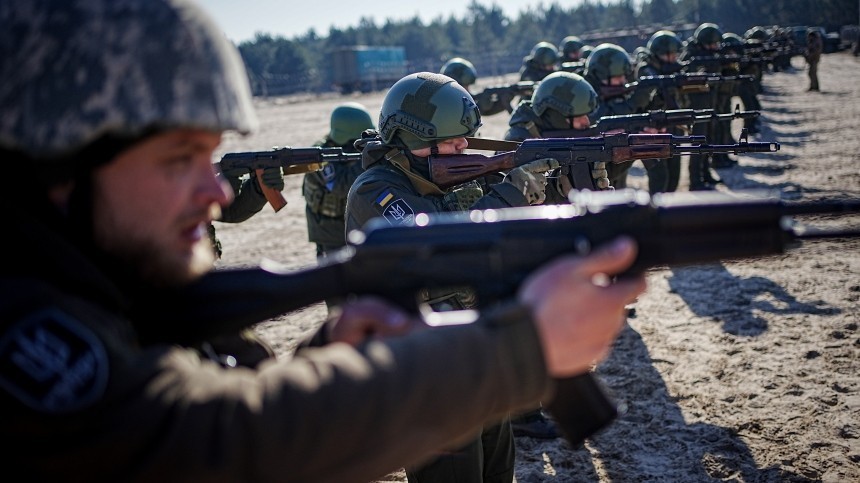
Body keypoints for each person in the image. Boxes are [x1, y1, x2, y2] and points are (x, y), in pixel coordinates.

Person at [0, 2, 646, 482]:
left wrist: (323, 352)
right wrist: (514, 353)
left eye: (210, 157)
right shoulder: (22, 321)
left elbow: (224, 392)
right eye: (177, 159)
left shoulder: (113, 291)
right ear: (58, 164)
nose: (217, 193)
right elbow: (213, 444)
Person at [344, 71, 564, 482]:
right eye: (453, 140)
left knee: (497, 469)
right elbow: (444, 255)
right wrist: (513, 191)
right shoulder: (375, 193)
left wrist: (555, 187)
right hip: (426, 376)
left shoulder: (445, 178)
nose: (465, 147)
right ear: (415, 142)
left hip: (479, 356)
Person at [302, 102, 374, 258]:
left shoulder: (348, 149)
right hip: (329, 230)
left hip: (350, 226)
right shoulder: (320, 156)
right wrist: (366, 159)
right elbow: (341, 186)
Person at [583, 43, 657, 189]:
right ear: (601, 75)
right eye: (618, 77)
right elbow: (601, 120)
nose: (623, 81)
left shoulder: (616, 92)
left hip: (616, 168)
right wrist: (634, 102)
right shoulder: (584, 94)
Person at [634, 30, 687, 193]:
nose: (673, 59)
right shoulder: (646, 70)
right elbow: (652, 92)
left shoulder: (672, 69)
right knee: (660, 175)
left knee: (674, 175)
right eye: (668, 55)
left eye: (674, 55)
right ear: (657, 54)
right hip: (652, 129)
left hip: (672, 125)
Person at [679, 23, 727, 190]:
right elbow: (686, 74)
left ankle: (705, 174)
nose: (716, 47)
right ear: (705, 42)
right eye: (713, 44)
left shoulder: (710, 55)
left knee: (709, 141)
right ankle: (695, 180)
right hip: (696, 106)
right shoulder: (691, 56)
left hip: (709, 104)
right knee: (698, 143)